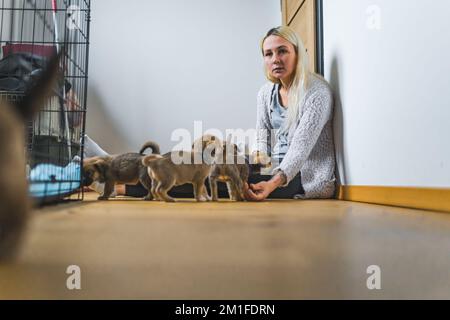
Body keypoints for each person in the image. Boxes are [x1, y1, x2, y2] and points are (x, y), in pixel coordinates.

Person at [244, 26, 336, 201]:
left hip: (302, 176)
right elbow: (262, 138)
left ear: (298, 54)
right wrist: (254, 164)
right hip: (273, 166)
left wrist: (271, 184)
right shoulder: (266, 92)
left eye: (282, 51)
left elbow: (299, 150)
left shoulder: (317, 93)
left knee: (211, 180)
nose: (275, 59)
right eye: (268, 54)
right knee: (217, 168)